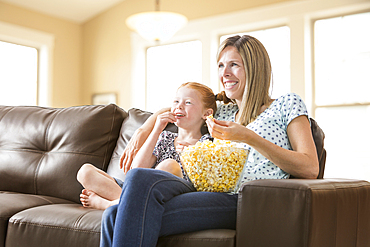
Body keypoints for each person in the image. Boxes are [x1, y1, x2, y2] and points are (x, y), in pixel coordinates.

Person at [100, 35, 319, 247]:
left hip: (248, 199)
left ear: (255, 68)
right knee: (121, 202)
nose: (225, 73)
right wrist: (145, 128)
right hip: (206, 192)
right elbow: (180, 106)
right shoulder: (221, 110)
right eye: (221, 66)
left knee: (117, 214)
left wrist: (248, 137)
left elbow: (310, 167)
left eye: (234, 65)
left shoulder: (286, 104)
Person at [77, 82, 216, 210]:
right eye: (176, 101)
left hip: (169, 196)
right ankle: (124, 201)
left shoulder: (207, 143)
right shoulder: (165, 137)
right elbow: (136, 171)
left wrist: (190, 156)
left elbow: (205, 183)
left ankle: (109, 204)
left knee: (169, 165)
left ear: (207, 113)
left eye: (188, 102)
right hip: (141, 191)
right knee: (85, 171)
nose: (179, 106)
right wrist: (156, 129)